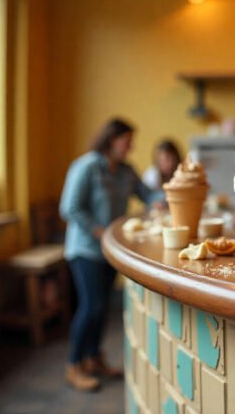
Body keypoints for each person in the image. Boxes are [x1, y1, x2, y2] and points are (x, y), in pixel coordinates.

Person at [59, 117, 161, 391]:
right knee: (91, 306)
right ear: (111, 140)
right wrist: (99, 231)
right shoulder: (87, 167)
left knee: (102, 307)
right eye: (126, 141)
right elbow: (69, 208)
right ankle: (74, 364)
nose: (130, 147)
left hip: (110, 251)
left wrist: (167, 197)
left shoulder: (126, 171)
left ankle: (94, 358)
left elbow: (148, 194)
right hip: (85, 250)